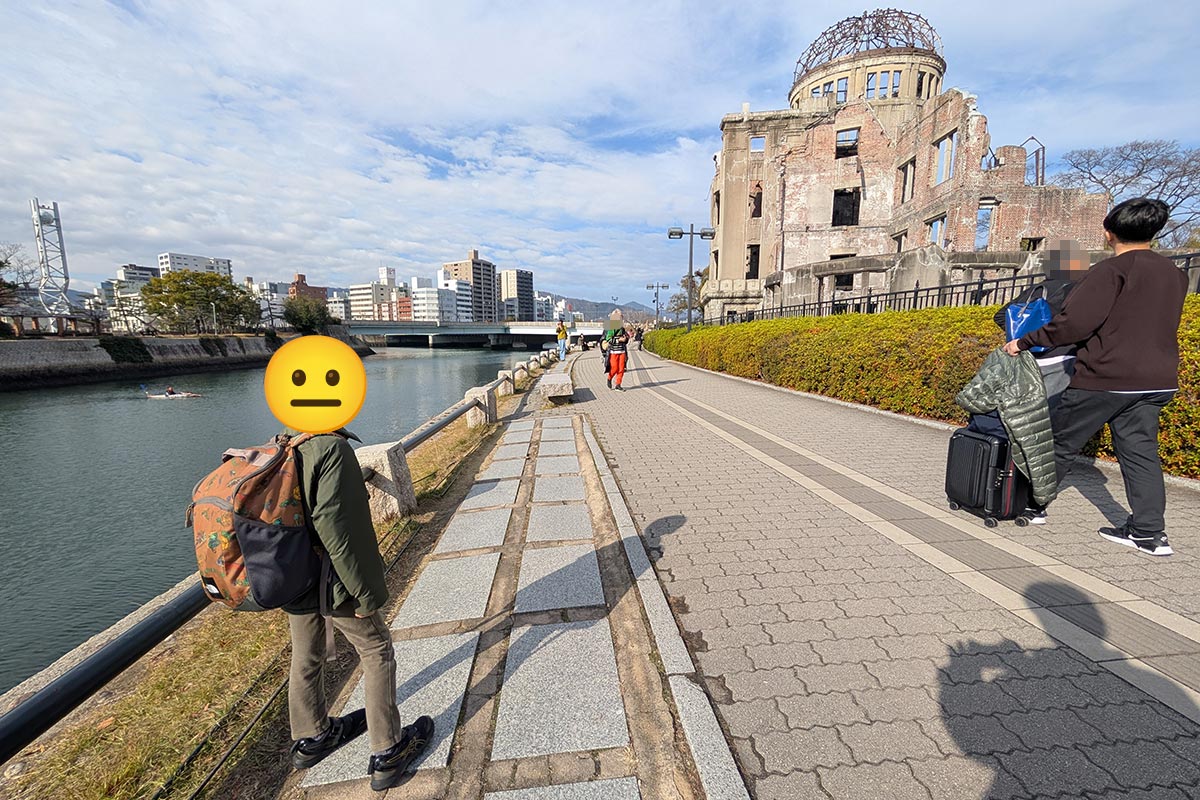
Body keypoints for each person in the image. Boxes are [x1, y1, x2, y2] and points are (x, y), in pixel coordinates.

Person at [1003, 198, 1187, 556]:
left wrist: (1023, 342)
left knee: (1058, 441)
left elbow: (1075, 323)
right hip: (1158, 378)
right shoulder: (1174, 274)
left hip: (1108, 374)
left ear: (1108, 233)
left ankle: (1031, 506)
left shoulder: (1110, 271)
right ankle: (1149, 533)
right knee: (1140, 452)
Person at [284, 427, 434, 790]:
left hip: (295, 575)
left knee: (307, 653)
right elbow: (338, 529)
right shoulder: (332, 448)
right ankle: (389, 751)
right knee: (376, 649)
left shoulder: (289, 444)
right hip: (332, 578)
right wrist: (364, 592)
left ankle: (311, 737)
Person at [603, 312, 630, 390]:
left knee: (621, 368)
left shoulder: (622, 329)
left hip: (622, 351)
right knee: (614, 368)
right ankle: (609, 378)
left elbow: (626, 339)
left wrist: (625, 339)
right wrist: (619, 340)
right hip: (613, 351)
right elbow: (608, 339)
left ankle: (618, 384)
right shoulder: (612, 328)